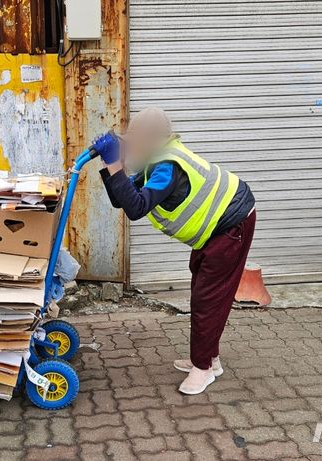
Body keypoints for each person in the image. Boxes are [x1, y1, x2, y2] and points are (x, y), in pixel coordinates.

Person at [95, 108, 256, 395]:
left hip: (232, 222)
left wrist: (115, 164)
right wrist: (113, 165)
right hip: (215, 228)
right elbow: (123, 199)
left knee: (207, 297)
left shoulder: (167, 167)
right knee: (203, 289)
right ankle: (209, 359)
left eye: (134, 139)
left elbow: (136, 209)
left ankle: (203, 369)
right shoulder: (154, 162)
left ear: (151, 140)